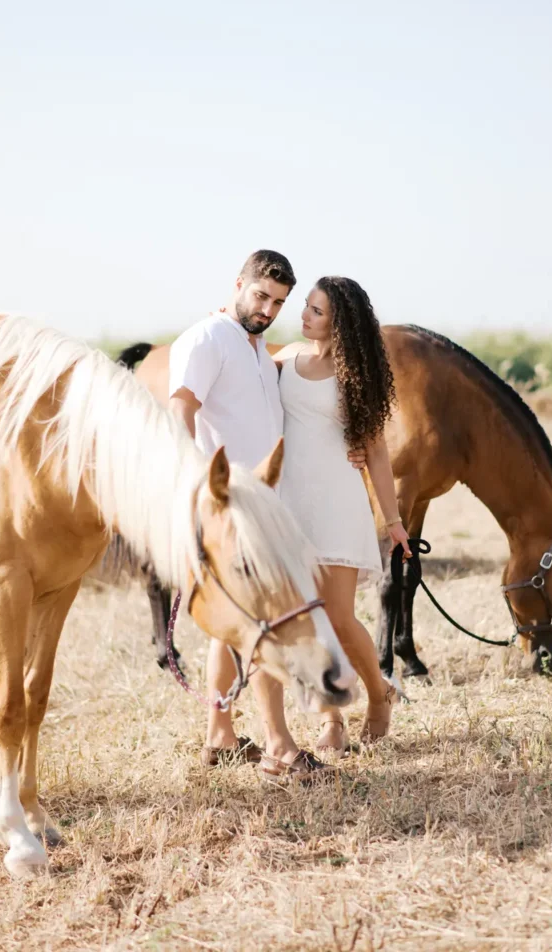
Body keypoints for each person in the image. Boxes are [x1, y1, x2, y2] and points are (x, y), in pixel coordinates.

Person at [169, 250, 349, 781]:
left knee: (231, 628)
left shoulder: (254, 348)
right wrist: (191, 495)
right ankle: (279, 746)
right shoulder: (206, 339)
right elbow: (180, 412)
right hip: (231, 510)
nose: (267, 309)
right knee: (267, 617)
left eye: (278, 302)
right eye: (260, 296)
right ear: (238, 284)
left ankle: (220, 736)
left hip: (262, 506)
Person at [274, 277, 411, 756]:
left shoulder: (354, 377)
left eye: (317, 311)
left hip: (337, 502)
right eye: (306, 306)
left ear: (341, 324)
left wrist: (393, 521)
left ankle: (378, 694)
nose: (304, 315)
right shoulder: (284, 358)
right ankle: (331, 718)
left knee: (338, 616)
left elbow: (376, 451)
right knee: (304, 621)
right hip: (288, 505)